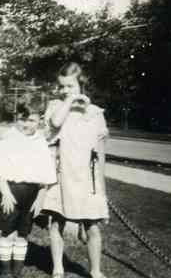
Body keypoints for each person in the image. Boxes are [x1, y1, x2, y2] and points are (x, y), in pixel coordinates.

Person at [41, 62, 109, 278]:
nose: (65, 90)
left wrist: (102, 188)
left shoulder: (95, 113)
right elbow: (55, 122)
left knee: (92, 226)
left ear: (82, 85)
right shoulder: (56, 107)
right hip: (62, 174)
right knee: (56, 222)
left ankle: (95, 270)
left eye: (70, 86)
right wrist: (69, 100)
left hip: (86, 178)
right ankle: (58, 267)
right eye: (62, 86)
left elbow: (100, 153)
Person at [0, 100, 57, 278]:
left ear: (39, 121)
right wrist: (6, 193)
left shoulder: (41, 142)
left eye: (31, 120)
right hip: (10, 192)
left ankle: (17, 271)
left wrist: (40, 197)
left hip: (32, 194)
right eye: (23, 119)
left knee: (23, 234)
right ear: (17, 118)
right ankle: (5, 271)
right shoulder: (8, 139)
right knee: (8, 233)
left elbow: (46, 174)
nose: (26, 124)